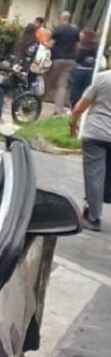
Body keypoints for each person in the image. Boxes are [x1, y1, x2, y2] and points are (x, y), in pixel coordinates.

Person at [70, 52, 111, 231]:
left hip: (96, 132)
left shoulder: (102, 79)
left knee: (94, 174)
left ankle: (94, 217)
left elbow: (81, 106)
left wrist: (73, 123)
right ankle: (93, 207)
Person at [50, 11, 80, 113]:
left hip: (58, 59)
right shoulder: (75, 31)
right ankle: (58, 110)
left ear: (62, 19)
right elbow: (77, 47)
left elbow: (51, 44)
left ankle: (36, 102)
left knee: (50, 82)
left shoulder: (57, 31)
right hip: (70, 60)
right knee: (62, 86)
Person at [70, 28, 99, 107]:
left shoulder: (81, 47)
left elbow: (77, 59)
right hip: (91, 70)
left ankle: (75, 106)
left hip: (80, 69)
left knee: (76, 90)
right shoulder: (96, 47)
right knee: (86, 90)